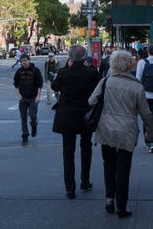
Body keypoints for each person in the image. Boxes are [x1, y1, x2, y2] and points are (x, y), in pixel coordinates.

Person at [89, 50, 153, 218]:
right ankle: (121, 207)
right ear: (130, 65)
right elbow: (146, 113)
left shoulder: (105, 82)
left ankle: (109, 199)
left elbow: (91, 101)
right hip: (127, 130)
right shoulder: (137, 87)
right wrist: (150, 133)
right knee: (123, 169)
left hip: (106, 128)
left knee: (108, 164)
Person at [51, 45, 101, 199]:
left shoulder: (63, 72)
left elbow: (54, 86)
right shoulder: (92, 73)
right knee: (86, 148)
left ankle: (69, 188)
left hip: (67, 115)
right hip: (86, 114)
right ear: (85, 57)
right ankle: (85, 181)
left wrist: (67, 66)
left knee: (68, 151)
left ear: (70, 58)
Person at [13, 53, 43, 145]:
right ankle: (25, 136)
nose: (24, 63)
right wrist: (18, 95)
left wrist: (38, 96)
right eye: (22, 61)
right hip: (23, 98)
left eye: (25, 60)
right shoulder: (19, 71)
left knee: (33, 115)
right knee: (23, 117)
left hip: (33, 97)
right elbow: (16, 84)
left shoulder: (35, 70)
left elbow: (39, 85)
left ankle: (34, 125)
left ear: (29, 60)